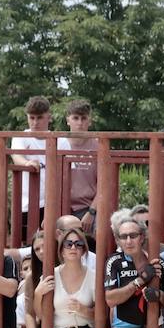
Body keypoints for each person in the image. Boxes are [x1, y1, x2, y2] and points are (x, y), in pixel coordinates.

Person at [11, 96, 51, 241]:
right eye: (31, 117)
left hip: (50, 203)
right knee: (26, 245)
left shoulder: (60, 140)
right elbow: (16, 156)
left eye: (39, 118)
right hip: (26, 203)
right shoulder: (21, 137)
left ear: (49, 117)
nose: (35, 122)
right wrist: (26, 163)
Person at [60, 99, 99, 240]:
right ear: (68, 120)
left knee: (102, 232)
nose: (80, 123)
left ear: (90, 121)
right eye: (75, 118)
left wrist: (92, 212)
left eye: (84, 118)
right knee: (47, 235)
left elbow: (104, 185)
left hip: (89, 207)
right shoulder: (58, 144)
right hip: (61, 206)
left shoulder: (99, 146)